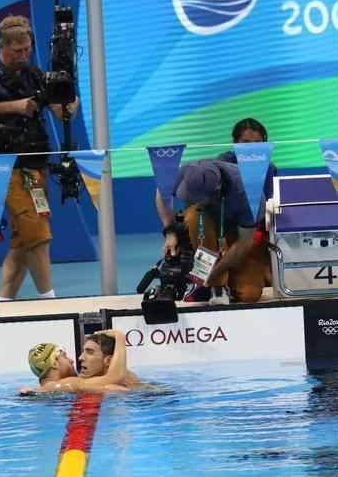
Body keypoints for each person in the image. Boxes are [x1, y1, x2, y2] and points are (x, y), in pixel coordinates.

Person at [0, 14, 79, 302]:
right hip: (5, 169)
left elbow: (63, 113)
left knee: (22, 241)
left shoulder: (34, 73)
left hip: (35, 167)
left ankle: (3, 303)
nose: (24, 55)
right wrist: (14, 106)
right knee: (37, 236)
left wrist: (68, 92)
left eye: (27, 49)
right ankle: (49, 301)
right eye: (17, 50)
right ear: (2, 46)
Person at [156, 157, 269, 304]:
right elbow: (161, 193)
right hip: (205, 227)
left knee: (249, 295)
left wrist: (214, 273)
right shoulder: (188, 171)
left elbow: (244, 242)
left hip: (238, 235)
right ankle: (213, 284)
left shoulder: (248, 193)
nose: (191, 199)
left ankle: (214, 280)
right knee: (196, 214)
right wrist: (170, 231)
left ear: (217, 189)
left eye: (197, 197)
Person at [21, 329, 131, 394]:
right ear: (54, 363)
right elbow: (114, 379)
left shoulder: (57, 387)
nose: (73, 360)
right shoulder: (68, 384)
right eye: (64, 357)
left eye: (89, 352)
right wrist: (120, 337)